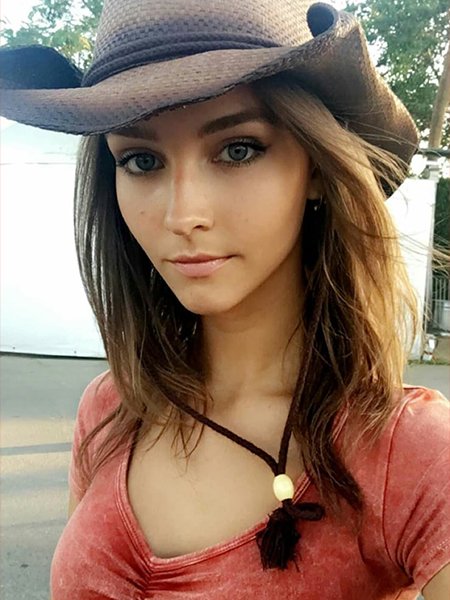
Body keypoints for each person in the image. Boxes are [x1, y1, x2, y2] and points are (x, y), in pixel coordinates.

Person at [1, 1, 449, 598]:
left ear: (316, 167)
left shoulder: (407, 450)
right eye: (141, 160)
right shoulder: (110, 408)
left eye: (238, 149)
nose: (182, 214)